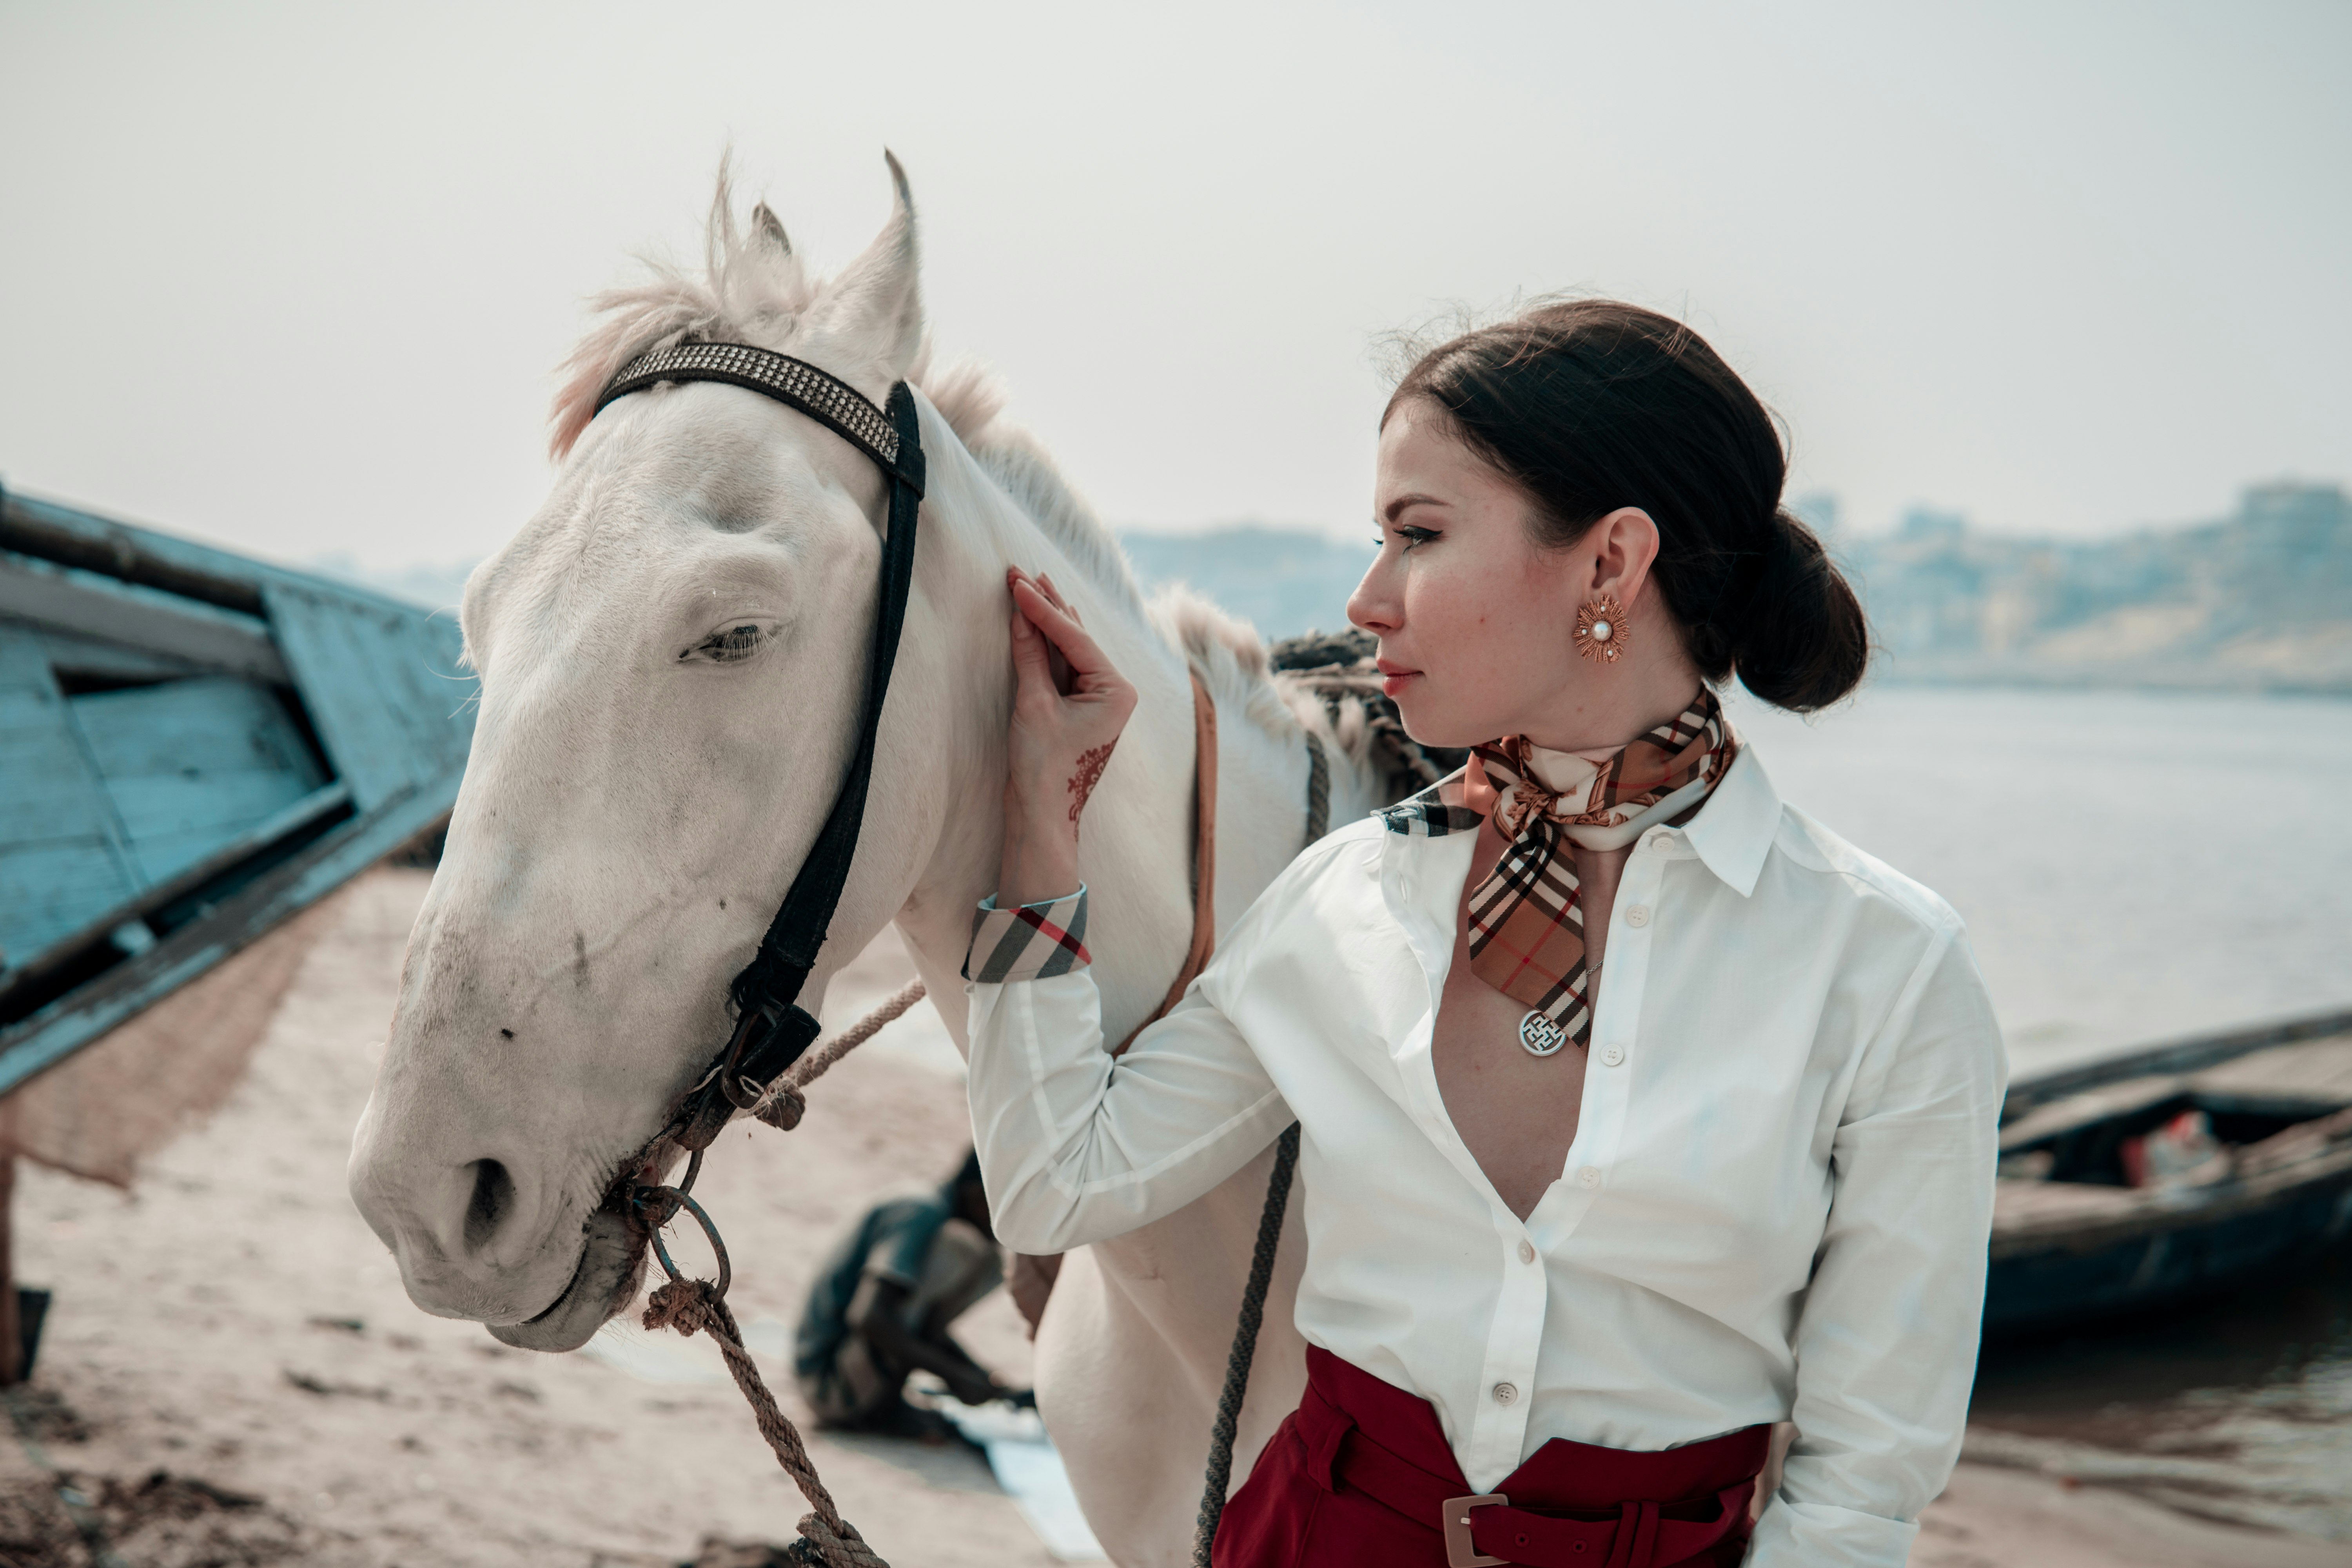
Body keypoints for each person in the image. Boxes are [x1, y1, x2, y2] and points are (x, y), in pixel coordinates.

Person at [961, 300, 2006, 1565]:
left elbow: (1861, 1484)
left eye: (1420, 535)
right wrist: (1041, 823)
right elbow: (1055, 1183)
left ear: (1611, 566)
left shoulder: (1886, 967)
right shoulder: (1340, 902)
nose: (1368, 599)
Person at [793, 1148, 1021, 1439]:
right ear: (979, 1198)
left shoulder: (931, 1209)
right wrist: (953, 1376)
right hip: (827, 1385)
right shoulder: (921, 1212)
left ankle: (885, 1401)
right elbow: (870, 1316)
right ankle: (880, 1409)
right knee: (965, 1252)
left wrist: (981, 1379)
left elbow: (920, 1325)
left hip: (843, 1366)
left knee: (990, 1261)